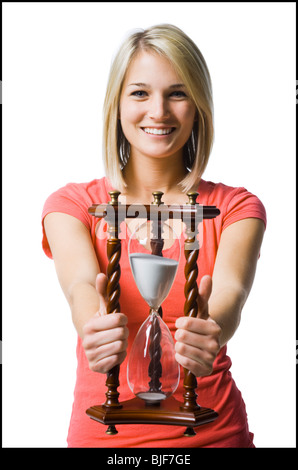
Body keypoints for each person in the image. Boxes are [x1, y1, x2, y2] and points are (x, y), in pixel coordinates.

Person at [42, 24, 266, 448]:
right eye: (140, 93)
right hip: (103, 441)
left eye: (177, 93)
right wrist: (95, 327)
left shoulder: (237, 207)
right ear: (117, 104)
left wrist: (210, 328)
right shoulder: (71, 204)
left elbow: (230, 294)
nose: (159, 111)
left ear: (198, 106)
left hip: (213, 435)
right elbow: (79, 288)